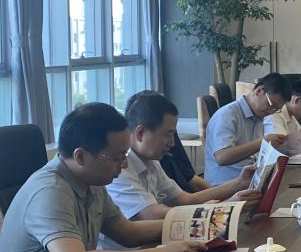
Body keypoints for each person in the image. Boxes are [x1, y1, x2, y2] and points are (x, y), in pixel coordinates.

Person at [0, 104, 202, 252]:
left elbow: (128, 232)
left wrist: (191, 225)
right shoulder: (50, 191)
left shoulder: (91, 182)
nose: (124, 165)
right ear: (81, 156)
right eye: (117, 157)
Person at [105, 92, 261, 226]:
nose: (172, 143)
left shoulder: (151, 161)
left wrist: (240, 183)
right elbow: (153, 214)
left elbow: (184, 199)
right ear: (140, 133)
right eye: (167, 134)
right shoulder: (118, 168)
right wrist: (225, 207)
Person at [204, 73, 290, 183]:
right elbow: (222, 157)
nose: (270, 111)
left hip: (248, 181)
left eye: (276, 109)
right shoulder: (227, 115)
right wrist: (262, 142)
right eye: (270, 104)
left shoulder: (258, 116)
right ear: (259, 91)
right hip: (223, 185)